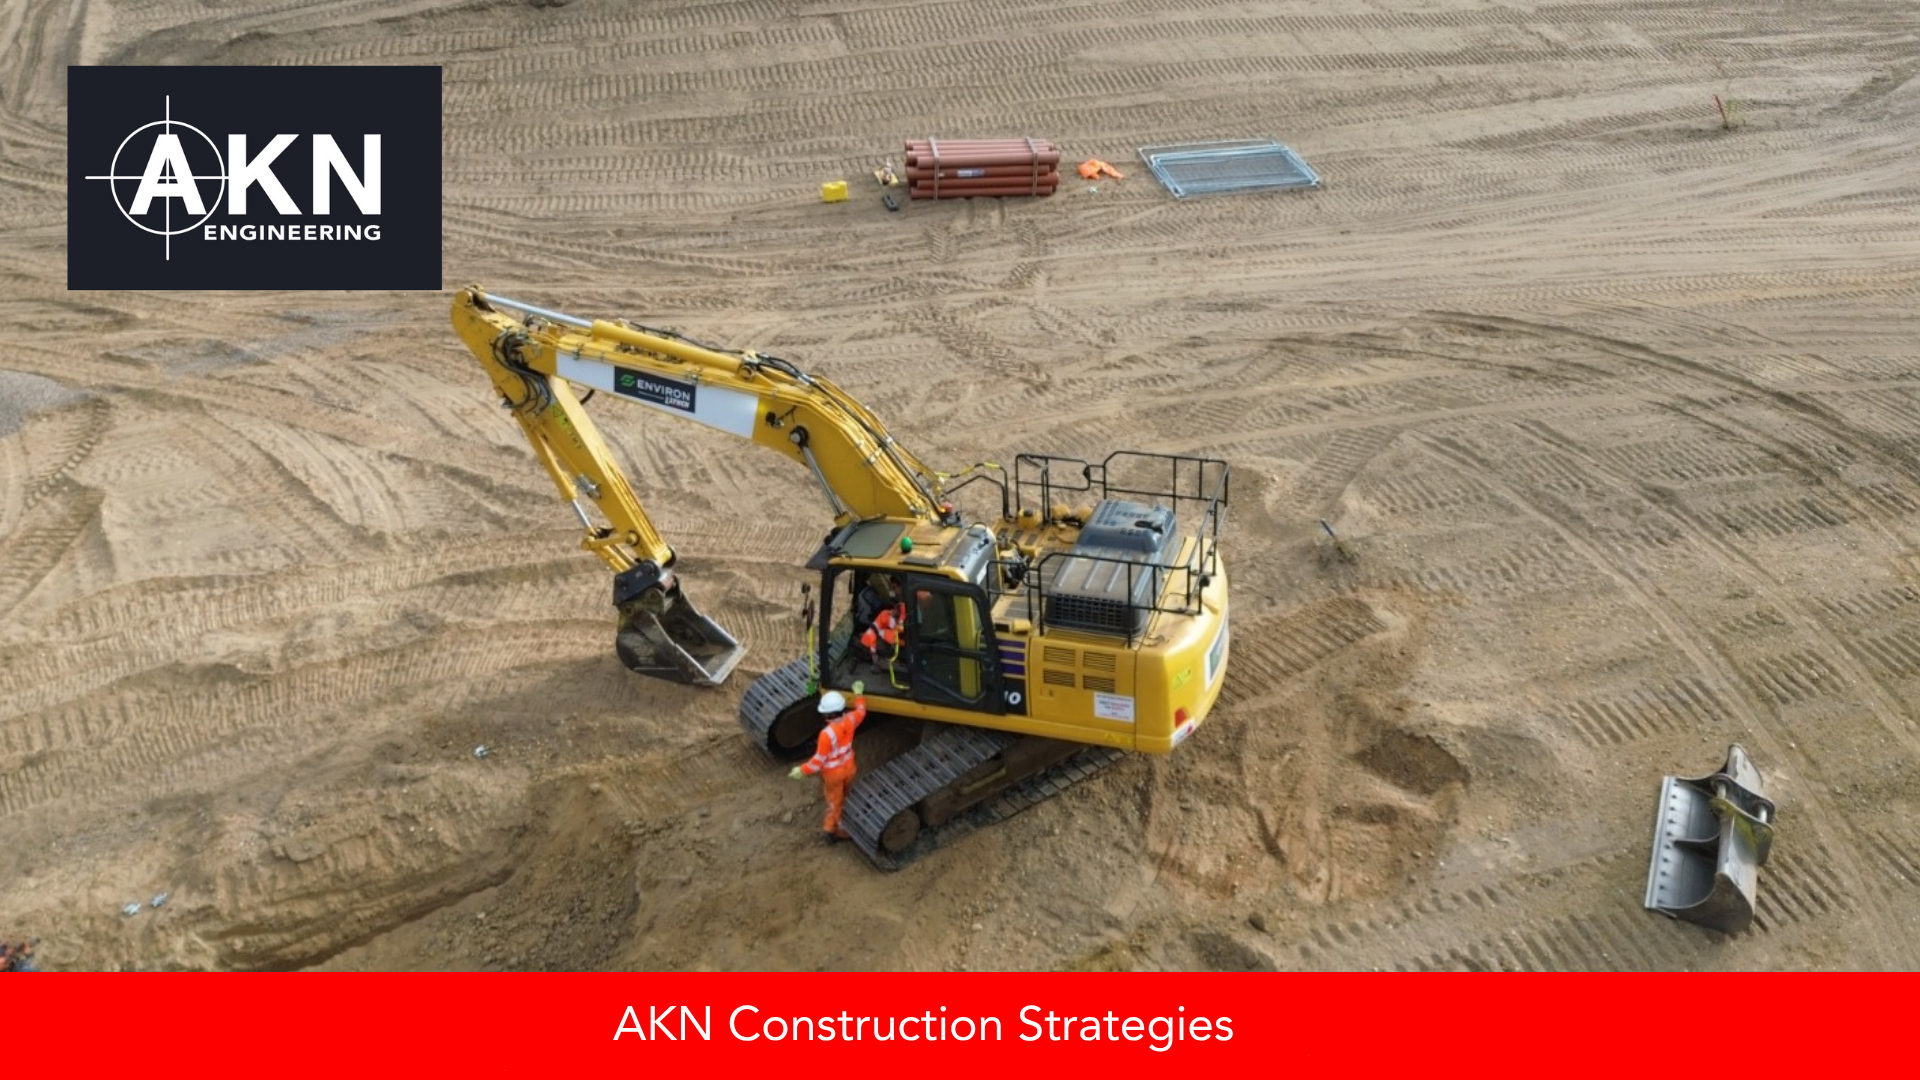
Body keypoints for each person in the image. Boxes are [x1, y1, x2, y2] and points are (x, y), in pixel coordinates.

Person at [789, 682, 869, 843]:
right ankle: (842, 819)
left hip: (834, 774)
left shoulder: (827, 734)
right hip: (850, 767)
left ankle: (832, 830)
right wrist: (859, 694)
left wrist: (802, 770)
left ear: (827, 715)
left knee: (835, 801)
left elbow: (818, 761)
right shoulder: (850, 720)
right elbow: (861, 711)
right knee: (845, 794)